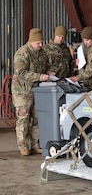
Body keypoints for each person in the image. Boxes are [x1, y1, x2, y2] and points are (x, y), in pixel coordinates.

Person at [11, 28, 51, 156]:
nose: (40, 45)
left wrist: (50, 73)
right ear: (31, 41)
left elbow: (47, 66)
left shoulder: (42, 53)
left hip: (37, 90)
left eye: (41, 42)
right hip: (22, 91)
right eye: (38, 43)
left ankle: (36, 144)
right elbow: (21, 73)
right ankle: (23, 145)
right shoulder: (22, 53)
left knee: (37, 118)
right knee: (24, 118)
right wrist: (40, 77)